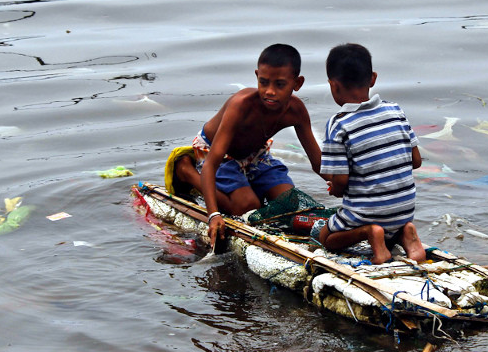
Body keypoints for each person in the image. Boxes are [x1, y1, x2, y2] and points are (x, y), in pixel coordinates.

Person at [173, 43, 322, 245]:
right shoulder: (241, 105)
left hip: (255, 154)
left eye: (279, 85)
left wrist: (346, 185)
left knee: (290, 203)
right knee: (247, 205)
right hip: (216, 152)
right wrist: (213, 215)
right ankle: (187, 172)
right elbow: (212, 163)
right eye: (264, 82)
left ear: (297, 83)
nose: (269, 91)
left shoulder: (296, 111)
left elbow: (318, 162)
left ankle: (248, 184)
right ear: (256, 76)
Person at [317, 43, 426, 264]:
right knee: (392, 221)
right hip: (404, 210)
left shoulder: (338, 125)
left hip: (368, 214)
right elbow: (416, 161)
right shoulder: (395, 110)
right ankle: (407, 234)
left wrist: (337, 189)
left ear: (333, 85)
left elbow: (341, 180)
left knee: (325, 238)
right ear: (373, 78)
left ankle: (370, 234)